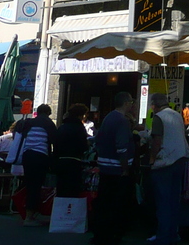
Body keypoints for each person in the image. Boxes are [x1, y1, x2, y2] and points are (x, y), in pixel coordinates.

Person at [93, 91, 136, 245]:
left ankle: (101, 234)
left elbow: (98, 139)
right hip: (117, 168)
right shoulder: (122, 121)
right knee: (117, 203)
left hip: (105, 166)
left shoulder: (109, 117)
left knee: (105, 201)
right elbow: (122, 147)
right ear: (126, 103)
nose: (132, 104)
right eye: (131, 101)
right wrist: (125, 168)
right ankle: (112, 234)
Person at [149, 93, 189, 245]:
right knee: (174, 201)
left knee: (163, 202)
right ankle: (173, 234)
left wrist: (152, 159)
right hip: (180, 159)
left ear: (154, 105)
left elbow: (157, 140)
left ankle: (163, 237)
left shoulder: (159, 117)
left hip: (165, 161)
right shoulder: (177, 115)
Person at [8, 103, 57, 226]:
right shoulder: (48, 124)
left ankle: (27, 212)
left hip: (27, 155)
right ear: (48, 113)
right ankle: (29, 217)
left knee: (29, 184)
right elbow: (54, 141)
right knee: (36, 185)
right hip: (40, 157)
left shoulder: (28, 123)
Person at [55, 103, 90, 198]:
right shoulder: (79, 128)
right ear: (80, 115)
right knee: (73, 191)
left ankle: (60, 210)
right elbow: (83, 147)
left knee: (61, 189)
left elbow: (56, 145)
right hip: (74, 161)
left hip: (61, 161)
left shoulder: (62, 127)